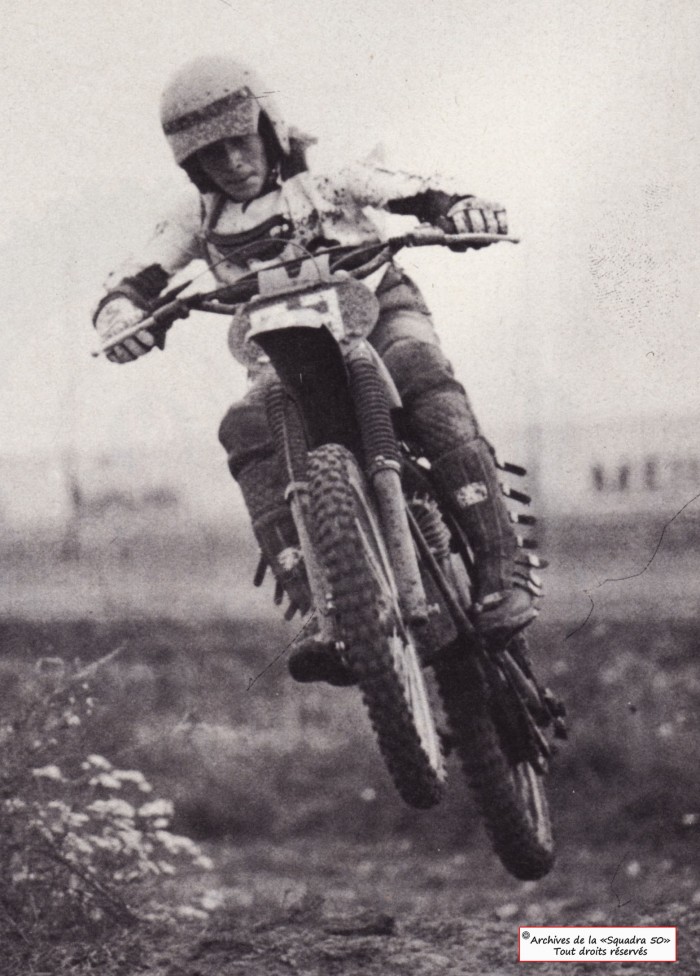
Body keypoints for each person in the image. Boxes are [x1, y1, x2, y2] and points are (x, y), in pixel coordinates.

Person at [94, 55, 542, 685]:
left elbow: (406, 187)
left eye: (240, 142)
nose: (232, 164)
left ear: (268, 126)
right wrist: (120, 314)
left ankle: (501, 563)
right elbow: (138, 273)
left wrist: (459, 208)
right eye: (210, 156)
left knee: (418, 370)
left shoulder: (327, 173)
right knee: (247, 427)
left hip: (376, 309)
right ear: (191, 165)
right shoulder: (196, 217)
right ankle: (323, 607)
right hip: (284, 351)